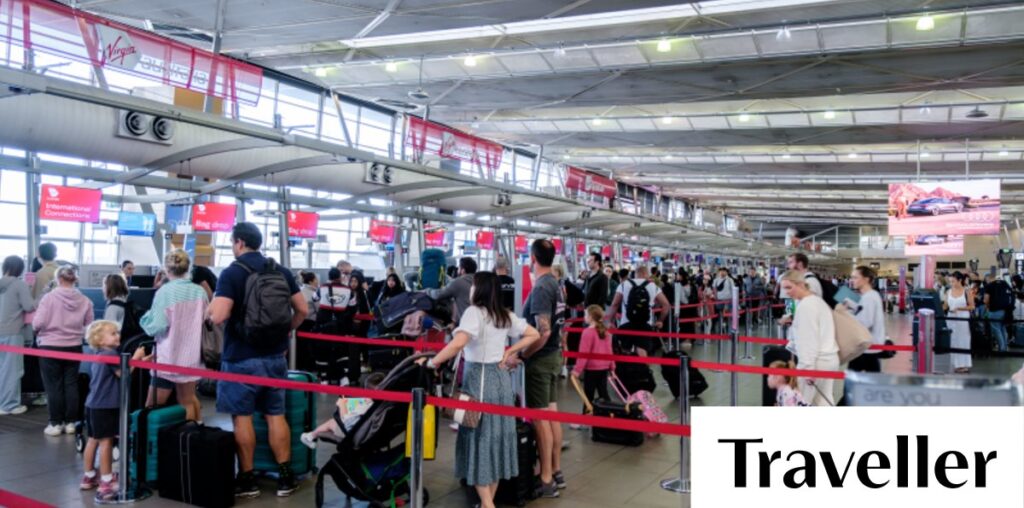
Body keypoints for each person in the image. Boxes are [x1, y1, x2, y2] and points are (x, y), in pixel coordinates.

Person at [422, 271, 541, 508]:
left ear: (480, 290)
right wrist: (510, 352)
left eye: (474, 285)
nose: (470, 289)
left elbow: (458, 343)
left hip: (479, 381)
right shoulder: (503, 314)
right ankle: (488, 502)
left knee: (478, 443)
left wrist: (432, 362)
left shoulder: (473, 313)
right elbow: (534, 333)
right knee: (496, 443)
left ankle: (488, 505)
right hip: (501, 384)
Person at [208, 222, 308, 498]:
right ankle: (286, 478)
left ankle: (247, 479)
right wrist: (286, 334)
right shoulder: (280, 271)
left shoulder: (232, 272)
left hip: (241, 356)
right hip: (275, 357)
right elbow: (302, 309)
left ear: (239, 242)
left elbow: (218, 316)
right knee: (276, 414)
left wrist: (210, 308)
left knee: (242, 418)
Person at [79, 320, 147, 500]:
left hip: (93, 404)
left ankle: (89, 475)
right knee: (106, 442)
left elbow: (123, 367)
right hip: (106, 405)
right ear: (100, 340)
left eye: (117, 332)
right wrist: (138, 358)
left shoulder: (99, 354)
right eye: (112, 333)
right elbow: (124, 374)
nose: (117, 336)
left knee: (93, 439)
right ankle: (106, 481)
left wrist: (137, 361)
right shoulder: (111, 354)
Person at [520, 240, 566, 497]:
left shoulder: (541, 287)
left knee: (540, 420)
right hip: (554, 356)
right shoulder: (556, 285)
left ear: (533, 258)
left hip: (540, 360)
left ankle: (546, 478)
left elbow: (544, 331)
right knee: (552, 415)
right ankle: (556, 470)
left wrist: (523, 354)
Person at [140, 250, 208, 422]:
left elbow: (157, 326)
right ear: (188, 267)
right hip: (192, 357)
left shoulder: (164, 292)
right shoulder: (199, 291)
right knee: (187, 401)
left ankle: (149, 445)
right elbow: (205, 319)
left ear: (166, 269)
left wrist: (145, 319)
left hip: (168, 358)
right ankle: (190, 439)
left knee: (152, 406)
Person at [33, 265, 93, 436]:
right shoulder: (85, 300)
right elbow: (89, 326)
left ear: (58, 279)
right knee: (71, 384)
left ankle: (55, 423)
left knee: (53, 386)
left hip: (49, 346)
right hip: (74, 346)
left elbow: (37, 323)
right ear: (74, 279)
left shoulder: (48, 298)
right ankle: (71, 423)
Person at [778, 270, 839, 406]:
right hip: (829, 360)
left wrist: (808, 368)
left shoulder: (806, 306)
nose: (786, 292)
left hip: (816, 363)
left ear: (801, 284)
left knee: (799, 403)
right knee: (823, 402)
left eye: (789, 287)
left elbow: (808, 341)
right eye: (784, 288)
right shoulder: (817, 301)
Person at [299, 372, 385, 449]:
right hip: (368, 433)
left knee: (332, 422)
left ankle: (312, 435)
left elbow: (347, 423)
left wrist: (342, 406)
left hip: (352, 435)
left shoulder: (366, 407)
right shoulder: (382, 406)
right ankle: (312, 435)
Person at [0, 256, 35, 415]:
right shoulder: (19, 284)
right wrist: (43, 295)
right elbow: (29, 306)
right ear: (20, 268)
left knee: (2, 369)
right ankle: (9, 405)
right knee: (12, 370)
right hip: (12, 331)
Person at [608, 264, 670, 354]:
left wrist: (610, 321)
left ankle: (627, 367)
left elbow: (615, 304)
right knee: (642, 349)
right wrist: (660, 320)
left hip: (626, 322)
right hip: (645, 323)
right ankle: (642, 367)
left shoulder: (623, 285)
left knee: (625, 350)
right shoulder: (653, 286)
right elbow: (666, 305)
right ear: (646, 274)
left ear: (635, 274)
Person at [570, 305, 614, 428]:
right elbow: (610, 351)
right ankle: (611, 415)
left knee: (588, 395)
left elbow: (583, 354)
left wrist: (577, 370)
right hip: (604, 368)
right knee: (603, 393)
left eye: (585, 315)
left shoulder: (587, 333)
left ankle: (585, 419)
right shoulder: (606, 332)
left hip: (592, 369)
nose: (584, 317)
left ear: (590, 317)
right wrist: (612, 366)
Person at [844, 266, 885, 373]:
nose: (852, 280)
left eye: (855, 277)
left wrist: (845, 315)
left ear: (866, 279)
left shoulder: (869, 297)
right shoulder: (869, 296)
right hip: (868, 347)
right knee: (872, 381)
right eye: (851, 277)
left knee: (852, 383)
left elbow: (865, 322)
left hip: (866, 348)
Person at [429, 257, 477, 325]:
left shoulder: (459, 282)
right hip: (479, 322)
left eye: (459, 268)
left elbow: (438, 295)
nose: (457, 270)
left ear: (462, 270)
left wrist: (427, 291)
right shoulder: (480, 282)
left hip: (465, 323)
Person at [944, 272, 974, 374]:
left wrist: (959, 308)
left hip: (963, 318)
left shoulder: (967, 291)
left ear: (960, 280)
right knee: (952, 340)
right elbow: (945, 305)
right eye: (950, 281)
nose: (951, 283)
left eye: (953, 281)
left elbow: (972, 306)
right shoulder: (948, 291)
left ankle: (963, 364)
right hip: (951, 318)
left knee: (963, 340)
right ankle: (954, 363)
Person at [983, 273, 1012, 352]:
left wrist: (987, 306)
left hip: (994, 311)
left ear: (989, 278)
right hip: (1006, 311)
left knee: (996, 329)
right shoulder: (1004, 284)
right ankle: (1005, 347)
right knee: (1003, 329)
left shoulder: (989, 286)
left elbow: (986, 300)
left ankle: (1002, 349)